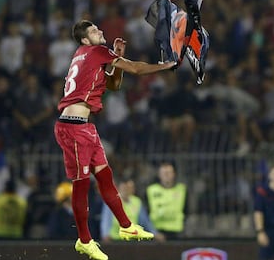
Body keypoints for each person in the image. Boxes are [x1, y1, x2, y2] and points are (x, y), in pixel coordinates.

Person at [54, 20, 176, 260]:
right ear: (84, 40)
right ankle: (84, 240)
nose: (99, 31)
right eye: (93, 31)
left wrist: (118, 57)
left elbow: (114, 84)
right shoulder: (97, 51)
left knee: (105, 176)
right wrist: (166, 65)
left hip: (85, 126)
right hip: (72, 128)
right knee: (81, 183)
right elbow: (137, 70)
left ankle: (126, 225)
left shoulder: (84, 54)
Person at [100, 177, 164, 242]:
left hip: (133, 239)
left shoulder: (137, 202)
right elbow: (106, 220)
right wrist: (105, 234)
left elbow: (145, 221)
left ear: (133, 189)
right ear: (118, 188)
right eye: (124, 188)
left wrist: (154, 233)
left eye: (129, 188)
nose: (127, 190)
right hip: (115, 239)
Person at [146, 161, 187, 240]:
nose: (166, 175)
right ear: (159, 175)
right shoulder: (151, 190)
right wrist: (153, 231)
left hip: (177, 231)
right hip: (157, 231)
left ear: (174, 174)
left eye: (169, 173)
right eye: (164, 173)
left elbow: (187, 209)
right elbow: (147, 211)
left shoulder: (182, 190)